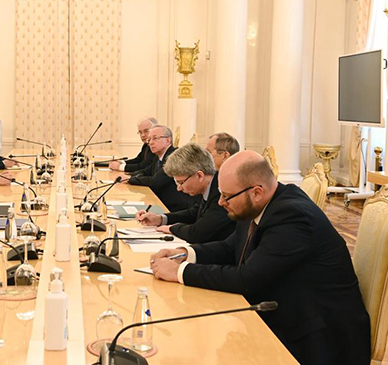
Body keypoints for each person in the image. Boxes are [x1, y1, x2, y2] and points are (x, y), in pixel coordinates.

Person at [150, 151, 370, 365]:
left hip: (317, 338)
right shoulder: (259, 203)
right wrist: (185, 254)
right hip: (288, 313)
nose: (220, 202)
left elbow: (247, 279)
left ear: (256, 191)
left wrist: (180, 272)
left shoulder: (293, 216)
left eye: (226, 196)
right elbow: (230, 247)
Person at [136, 142, 235, 243]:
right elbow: (193, 213)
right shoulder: (207, 186)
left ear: (199, 176)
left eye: (181, 182)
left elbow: (197, 233)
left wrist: (172, 228)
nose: (179, 188)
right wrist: (160, 219)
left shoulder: (222, 193)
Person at [124, 125, 195, 212]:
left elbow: (155, 181)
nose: (151, 143)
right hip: (162, 202)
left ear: (168, 140)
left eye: (155, 138)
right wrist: (129, 176)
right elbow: (146, 171)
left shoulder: (173, 157)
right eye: (149, 140)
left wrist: (130, 179)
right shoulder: (159, 156)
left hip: (176, 208)